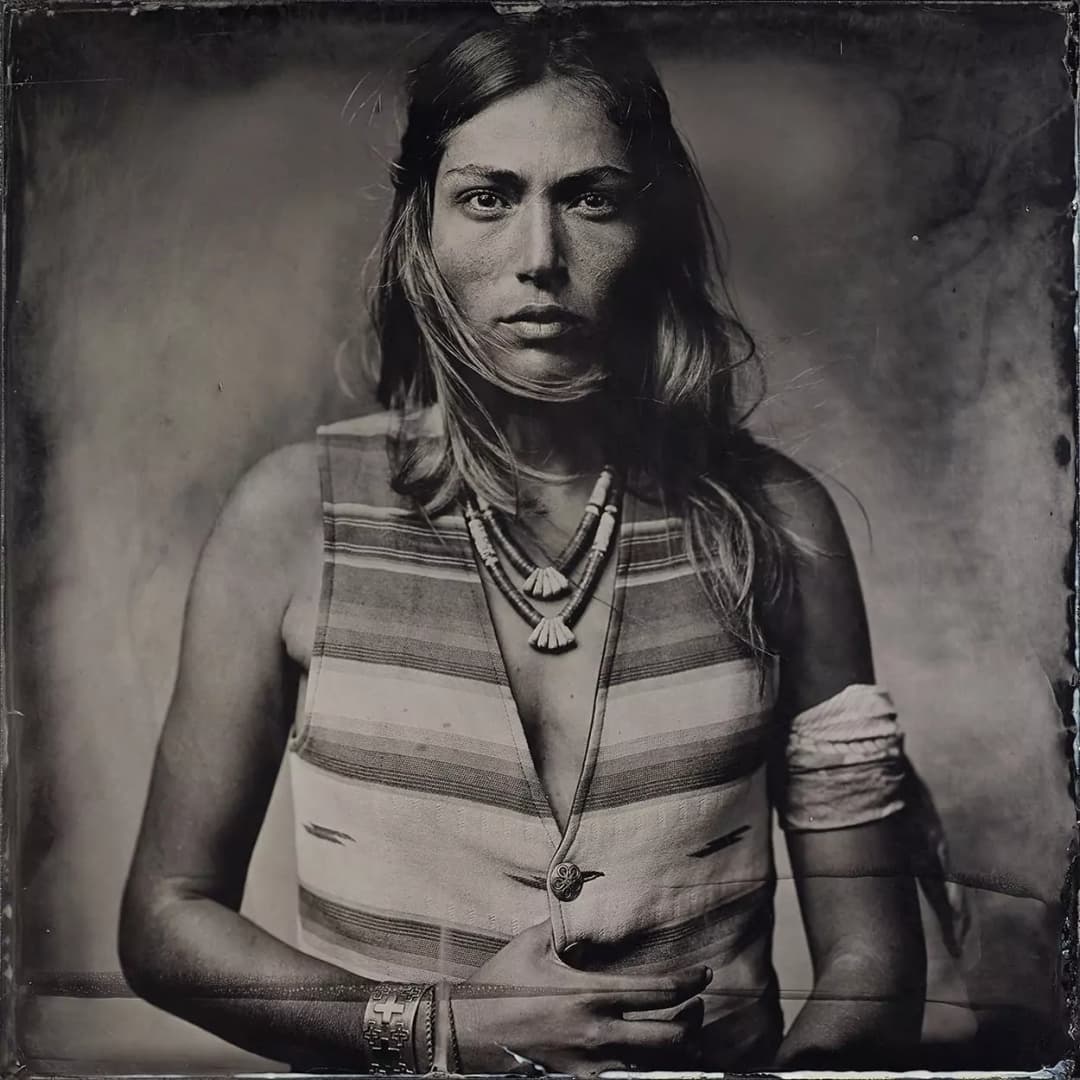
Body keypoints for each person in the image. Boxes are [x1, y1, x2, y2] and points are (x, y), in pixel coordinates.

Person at [119, 11, 926, 1074]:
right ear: (422, 228)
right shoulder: (290, 516)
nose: (539, 258)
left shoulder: (777, 519)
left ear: (653, 223)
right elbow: (167, 918)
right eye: (487, 198)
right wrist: (439, 1030)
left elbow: (872, 965)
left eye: (591, 198)